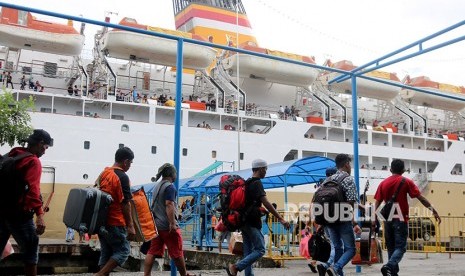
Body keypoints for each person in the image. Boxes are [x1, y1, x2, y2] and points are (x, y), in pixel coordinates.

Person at [373, 159, 441, 276]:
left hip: (387, 220)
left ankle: (391, 273)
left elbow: (377, 202)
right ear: (403, 170)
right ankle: (389, 266)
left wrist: (374, 218)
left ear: (390, 170)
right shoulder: (406, 181)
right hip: (400, 220)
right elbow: (421, 198)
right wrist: (433, 211)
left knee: (391, 248)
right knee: (400, 248)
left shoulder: (383, 183)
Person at [0, 129, 53, 276]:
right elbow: (33, 191)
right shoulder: (33, 161)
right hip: (20, 215)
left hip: (3, 211)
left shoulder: (13, 154)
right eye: (46, 147)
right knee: (30, 250)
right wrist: (40, 215)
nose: (45, 151)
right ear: (40, 143)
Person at [226, 159, 290, 276]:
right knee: (260, 249)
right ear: (260, 169)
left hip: (243, 221)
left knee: (248, 252)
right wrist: (280, 218)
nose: (266, 171)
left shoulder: (247, 182)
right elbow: (265, 202)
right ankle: (236, 267)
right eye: (265, 169)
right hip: (251, 222)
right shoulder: (257, 183)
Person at [144, 163, 193, 276]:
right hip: (167, 226)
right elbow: (169, 204)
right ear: (172, 174)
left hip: (156, 226)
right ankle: (184, 274)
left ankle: (146, 274)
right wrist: (172, 223)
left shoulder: (157, 186)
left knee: (152, 251)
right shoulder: (170, 187)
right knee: (177, 252)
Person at [94, 147, 136, 276]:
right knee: (123, 251)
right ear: (126, 161)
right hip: (115, 221)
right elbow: (125, 202)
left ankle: (101, 273)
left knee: (106, 252)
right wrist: (130, 226)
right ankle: (99, 275)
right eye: (130, 163)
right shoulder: (122, 176)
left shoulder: (104, 173)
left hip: (102, 221)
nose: (130, 166)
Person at [318, 154, 361, 276]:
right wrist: (352, 220)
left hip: (328, 220)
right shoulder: (348, 179)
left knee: (337, 247)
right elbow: (351, 202)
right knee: (351, 249)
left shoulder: (328, 180)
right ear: (347, 164)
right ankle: (336, 268)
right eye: (350, 164)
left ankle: (336, 271)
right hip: (342, 219)